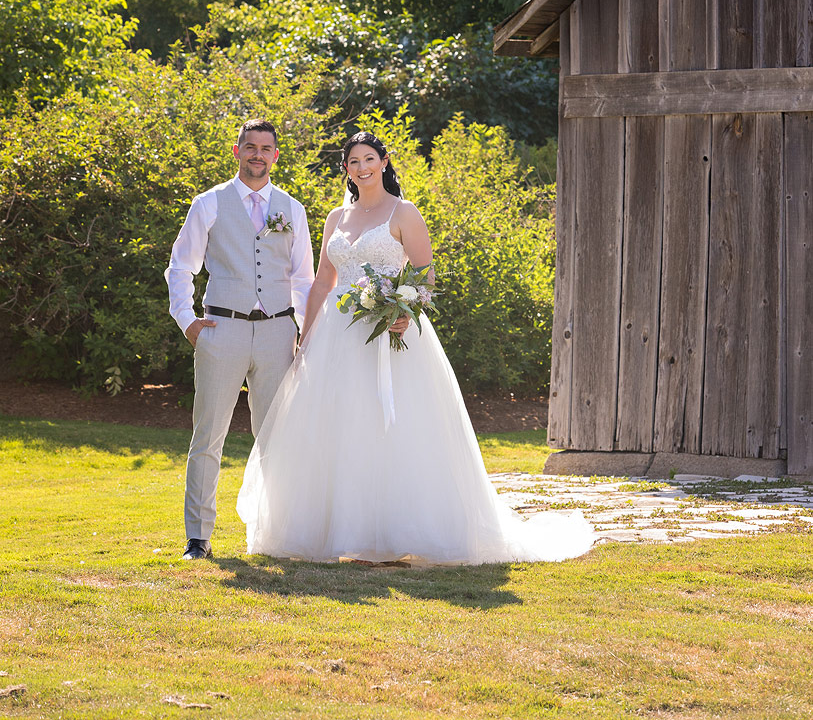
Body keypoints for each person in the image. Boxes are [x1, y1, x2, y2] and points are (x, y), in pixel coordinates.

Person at [236, 131, 593, 565]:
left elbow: (426, 274)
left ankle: (391, 536)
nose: (362, 167)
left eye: (369, 159)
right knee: (341, 429)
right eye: (353, 162)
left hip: (391, 332)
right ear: (345, 169)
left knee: (391, 429)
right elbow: (322, 284)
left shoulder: (403, 212)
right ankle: (339, 534)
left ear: (384, 162)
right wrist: (304, 339)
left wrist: (401, 308)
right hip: (335, 337)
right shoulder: (335, 217)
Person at [165, 118, 313, 560]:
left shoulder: (293, 209)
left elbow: (304, 278)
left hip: (277, 334)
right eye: (250, 147)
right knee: (208, 434)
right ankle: (198, 537)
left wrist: (302, 331)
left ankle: (278, 535)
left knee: (275, 438)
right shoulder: (208, 203)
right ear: (237, 152)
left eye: (266, 148)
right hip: (220, 329)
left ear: (276, 156)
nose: (257, 155)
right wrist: (187, 320)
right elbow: (180, 267)